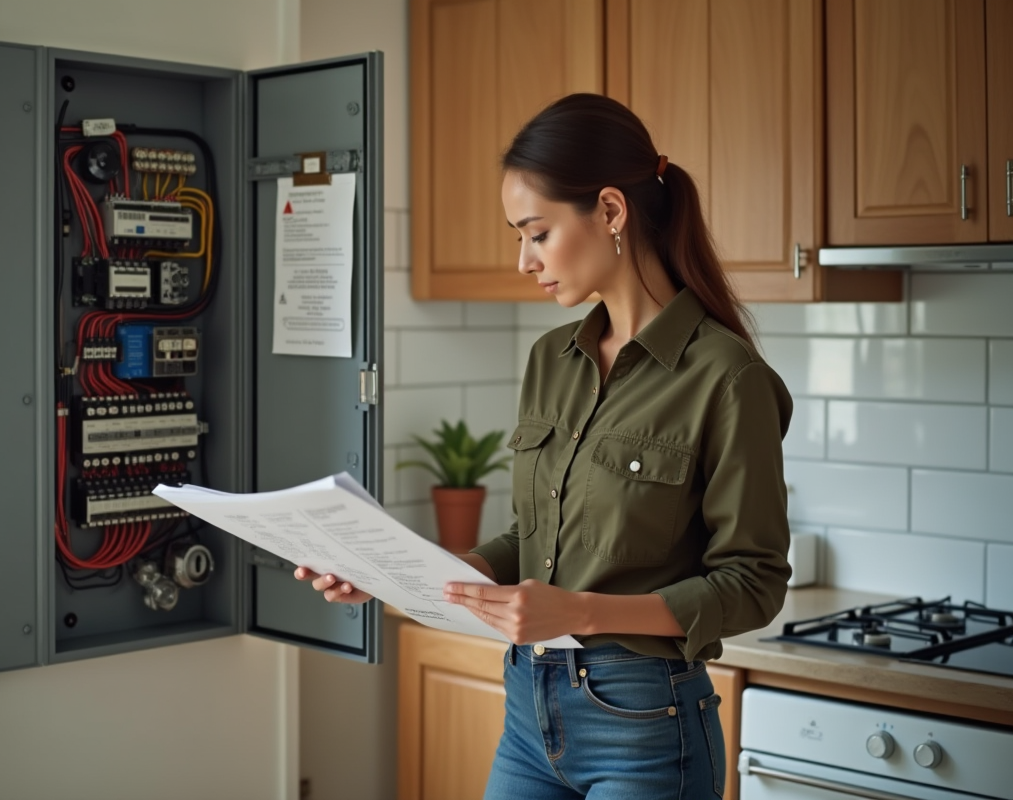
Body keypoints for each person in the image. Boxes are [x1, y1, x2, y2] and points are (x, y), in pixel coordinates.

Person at [295, 92, 792, 799]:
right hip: (529, 711)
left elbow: (753, 583)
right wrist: (394, 573)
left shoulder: (727, 377)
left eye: (536, 233)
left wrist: (582, 612)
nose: (524, 260)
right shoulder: (551, 358)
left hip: (645, 724)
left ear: (612, 213)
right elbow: (529, 540)